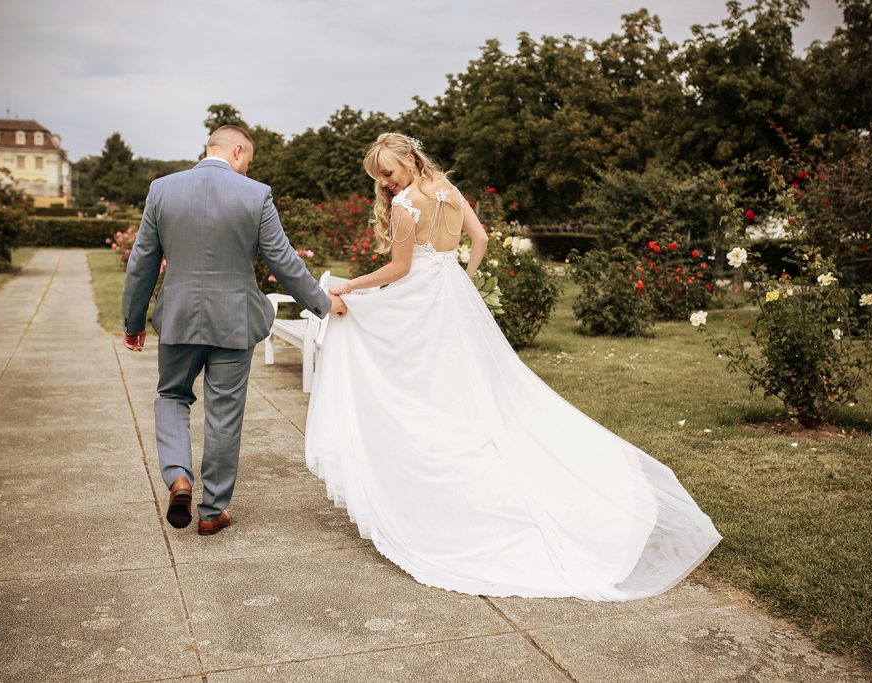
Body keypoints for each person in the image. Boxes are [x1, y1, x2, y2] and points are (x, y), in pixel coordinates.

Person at [304, 133, 721, 600]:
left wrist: (349, 286)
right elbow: (478, 240)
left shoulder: (405, 205)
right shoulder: (448, 190)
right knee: (469, 390)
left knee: (413, 379)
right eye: (378, 175)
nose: (384, 181)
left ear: (408, 159)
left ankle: (436, 485)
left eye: (387, 171)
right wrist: (461, 279)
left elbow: (399, 270)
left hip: (419, 297)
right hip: (452, 295)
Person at [122, 125, 346, 536]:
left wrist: (133, 322)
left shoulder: (162, 189)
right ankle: (212, 512)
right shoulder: (255, 193)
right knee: (224, 415)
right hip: (234, 321)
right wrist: (322, 301)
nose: (246, 170)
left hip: (178, 320)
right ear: (238, 150)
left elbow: (142, 262)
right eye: (248, 162)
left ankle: (179, 478)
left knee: (171, 396)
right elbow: (282, 260)